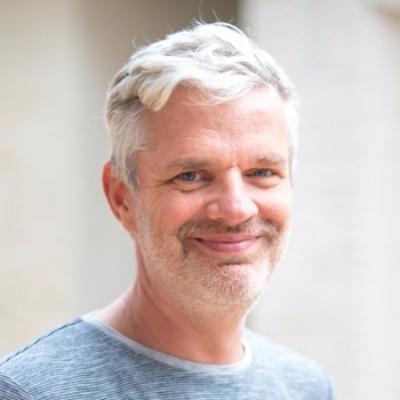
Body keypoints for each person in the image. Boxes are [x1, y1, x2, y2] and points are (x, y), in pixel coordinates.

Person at [0, 22, 334, 399]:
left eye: (262, 172)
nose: (236, 209)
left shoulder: (304, 386)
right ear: (122, 198)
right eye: (190, 176)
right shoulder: (29, 391)